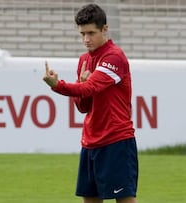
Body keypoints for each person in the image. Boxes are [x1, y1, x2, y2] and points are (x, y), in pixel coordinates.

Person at [42, 3, 138, 203]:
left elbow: (90, 88)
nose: (86, 39)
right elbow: (83, 106)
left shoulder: (114, 56)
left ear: (105, 29)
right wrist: (80, 83)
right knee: (90, 200)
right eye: (82, 34)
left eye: (91, 33)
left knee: (125, 200)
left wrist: (57, 85)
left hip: (116, 140)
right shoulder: (84, 60)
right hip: (90, 141)